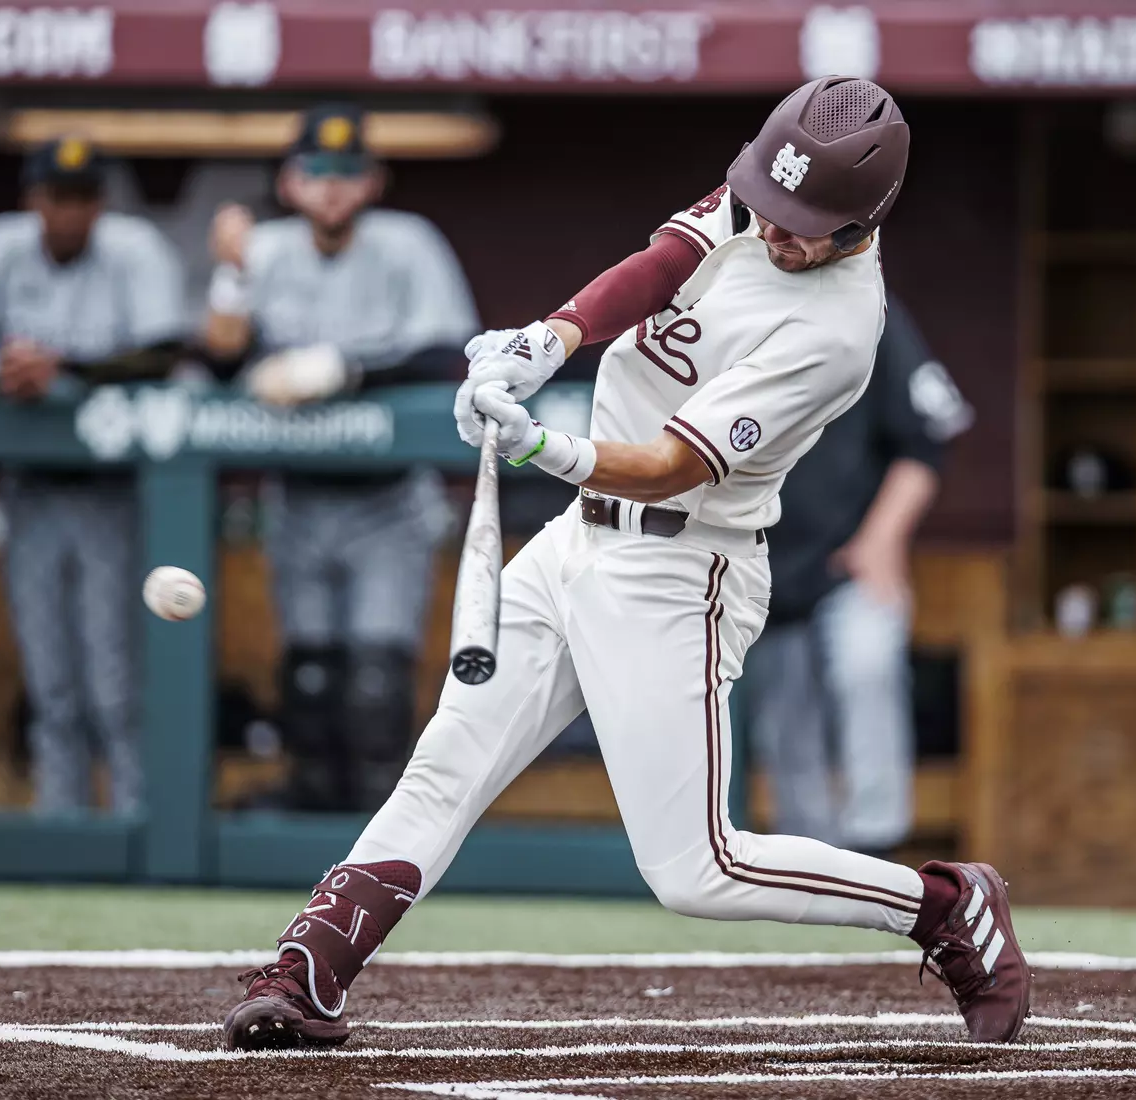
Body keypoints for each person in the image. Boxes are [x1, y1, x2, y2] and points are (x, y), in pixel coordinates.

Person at [220, 77, 1029, 1052]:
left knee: (698, 868)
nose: (772, 230)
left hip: (681, 573)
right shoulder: (764, 193)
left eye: (801, 224)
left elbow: (675, 464)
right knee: (447, 760)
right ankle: (311, 967)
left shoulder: (837, 330)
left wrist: (540, 448)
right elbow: (661, 262)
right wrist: (545, 338)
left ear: (862, 220)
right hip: (575, 541)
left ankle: (944, 904)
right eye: (768, 207)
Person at [203, 104, 477, 813]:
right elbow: (215, 358)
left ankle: (383, 837)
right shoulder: (263, 251)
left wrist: (345, 370)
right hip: (298, 493)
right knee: (310, 676)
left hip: (387, 498)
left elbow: (451, 352)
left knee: (377, 680)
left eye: (347, 172)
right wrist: (230, 275)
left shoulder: (408, 243)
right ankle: (313, 822)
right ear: (290, 183)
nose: (331, 187)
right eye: (316, 173)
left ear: (373, 181)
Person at [0, 136, 185, 814]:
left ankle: (138, 827)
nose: (68, 212)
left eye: (82, 198)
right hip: (31, 487)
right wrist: (1, 370)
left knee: (114, 684)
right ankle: (63, 830)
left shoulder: (131, 248)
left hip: (112, 491)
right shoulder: (2, 243)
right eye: (56, 197)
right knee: (51, 685)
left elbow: (164, 353)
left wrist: (65, 370)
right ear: (34, 200)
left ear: (99, 203)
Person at [742, 295, 972, 856]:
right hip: (761, 567)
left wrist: (881, 538)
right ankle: (814, 870)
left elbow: (928, 440)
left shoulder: (867, 311)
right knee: (784, 723)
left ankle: (877, 849)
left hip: (850, 561)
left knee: (866, 668)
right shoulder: (731, 313)